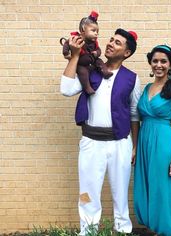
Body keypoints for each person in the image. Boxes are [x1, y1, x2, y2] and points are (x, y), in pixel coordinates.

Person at [60, 28, 140, 235]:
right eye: (111, 39)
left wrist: (134, 146)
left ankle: (123, 230)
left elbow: (134, 114)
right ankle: (88, 231)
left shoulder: (132, 78)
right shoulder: (89, 70)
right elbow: (66, 89)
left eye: (118, 43)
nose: (111, 43)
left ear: (127, 53)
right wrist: (75, 57)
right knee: (88, 191)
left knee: (120, 192)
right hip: (90, 142)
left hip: (120, 143)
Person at [133, 45, 171, 236]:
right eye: (155, 61)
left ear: (170, 64)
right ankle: (154, 228)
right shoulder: (147, 88)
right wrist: (135, 147)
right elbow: (137, 119)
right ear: (150, 63)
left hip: (163, 142)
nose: (159, 65)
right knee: (146, 184)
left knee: (162, 187)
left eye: (163, 61)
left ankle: (169, 231)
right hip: (145, 142)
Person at [60, 10, 113, 95]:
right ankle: (87, 87)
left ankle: (105, 72)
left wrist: (96, 53)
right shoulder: (76, 39)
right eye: (93, 30)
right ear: (83, 30)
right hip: (81, 64)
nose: (96, 34)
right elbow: (66, 44)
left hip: (92, 61)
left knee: (99, 61)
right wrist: (66, 53)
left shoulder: (94, 43)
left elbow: (98, 50)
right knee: (82, 72)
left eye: (97, 32)